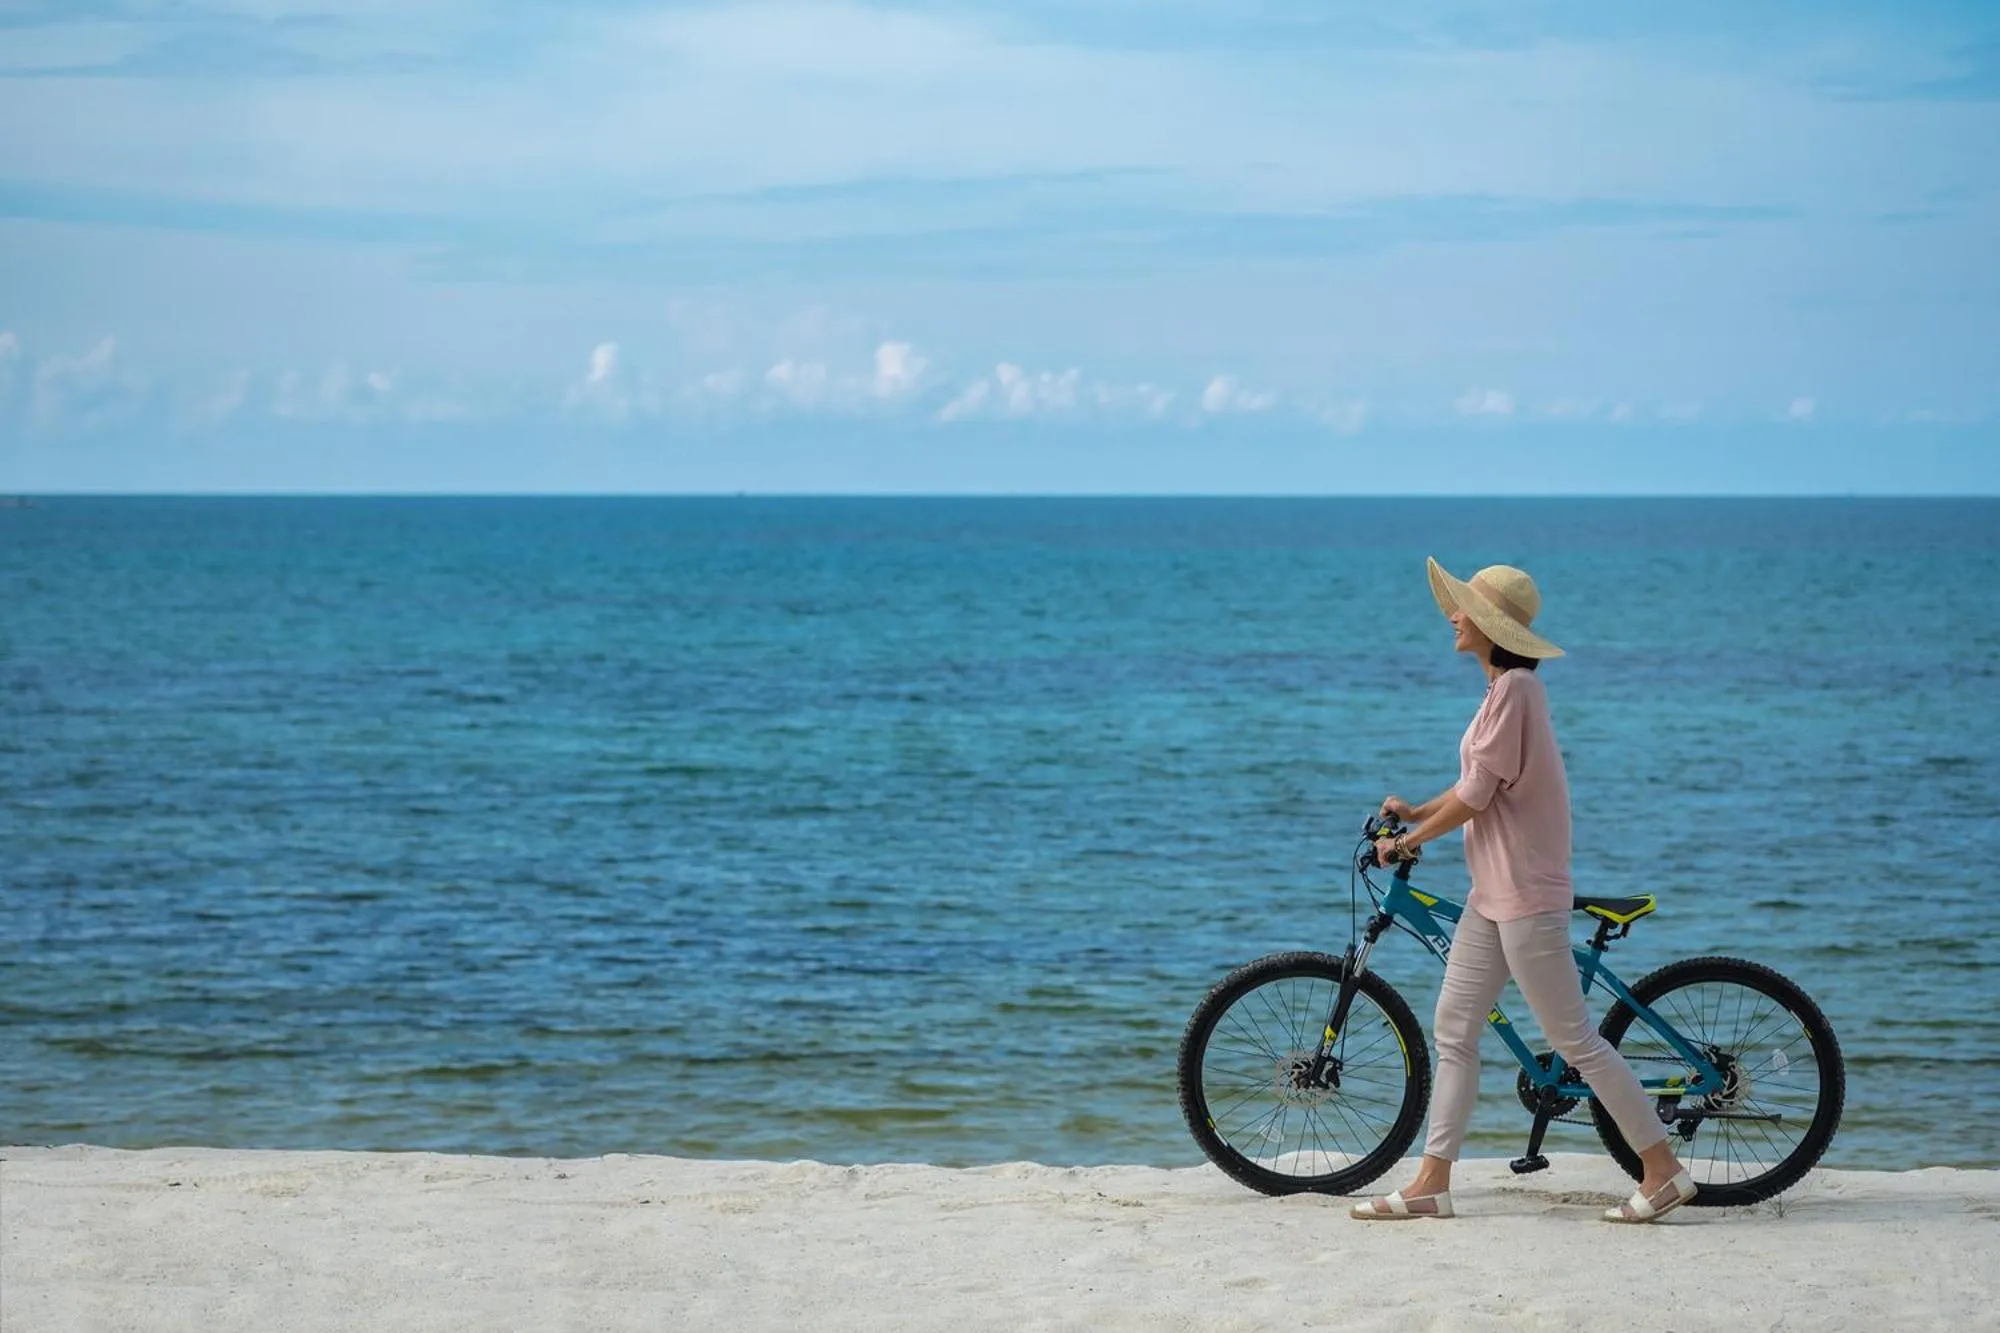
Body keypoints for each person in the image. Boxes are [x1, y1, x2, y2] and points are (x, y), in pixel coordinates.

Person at [1349, 557, 1697, 1224]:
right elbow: (1478, 783)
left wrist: (1408, 843)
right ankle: (1431, 1181)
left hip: (1527, 894)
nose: (1451, 616)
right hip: (1493, 893)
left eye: (1463, 608)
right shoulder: (1500, 689)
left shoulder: (1516, 692)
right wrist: (1418, 811)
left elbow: (1479, 795)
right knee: (1455, 1027)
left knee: (1575, 1040)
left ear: (1489, 624)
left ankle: (1663, 1170)